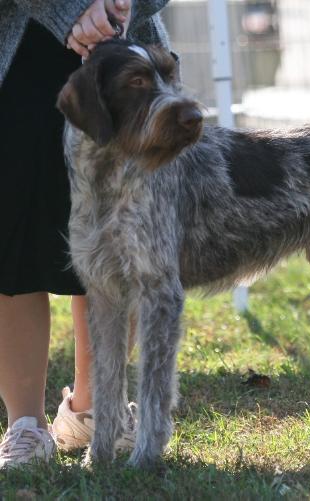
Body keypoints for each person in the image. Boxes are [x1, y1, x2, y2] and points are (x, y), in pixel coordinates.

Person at [0, 0, 169, 468]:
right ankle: (25, 427)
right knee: (11, 245)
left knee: (116, 244)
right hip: (17, 51)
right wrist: (71, 10)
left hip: (124, 52)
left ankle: (96, 412)